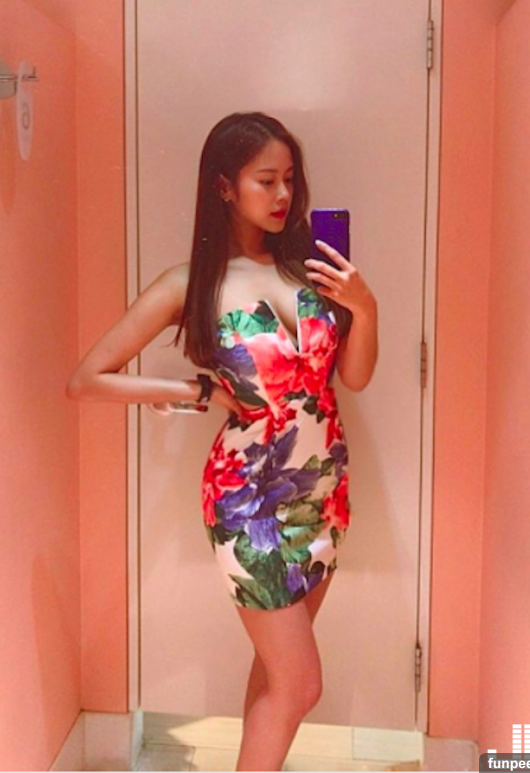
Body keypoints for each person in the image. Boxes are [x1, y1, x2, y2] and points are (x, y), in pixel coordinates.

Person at [66, 111, 379, 772]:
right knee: (301, 683)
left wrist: (365, 306)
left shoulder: (313, 270)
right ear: (225, 187)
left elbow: (354, 377)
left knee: (276, 675)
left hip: (324, 491)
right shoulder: (190, 284)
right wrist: (195, 390)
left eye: (290, 178)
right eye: (266, 180)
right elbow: (86, 379)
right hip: (247, 498)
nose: (284, 194)